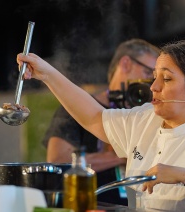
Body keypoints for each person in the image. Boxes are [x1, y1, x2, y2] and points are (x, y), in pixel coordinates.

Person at [17, 39, 185, 211]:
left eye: (166, 79)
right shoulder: (145, 119)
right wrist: (46, 73)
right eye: (154, 77)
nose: (153, 87)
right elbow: (94, 117)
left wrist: (184, 176)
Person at [42, 39, 160, 206]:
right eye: (149, 73)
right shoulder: (77, 109)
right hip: (90, 205)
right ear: (126, 64)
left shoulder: (146, 114)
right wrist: (122, 155)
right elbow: (58, 161)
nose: (152, 84)